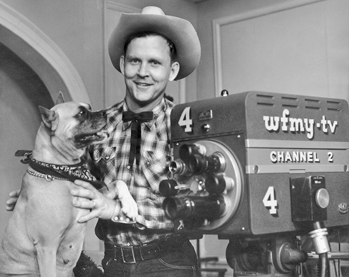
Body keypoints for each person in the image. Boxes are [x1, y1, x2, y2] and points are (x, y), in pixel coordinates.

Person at [7, 6, 201, 277]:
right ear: (123, 64)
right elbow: (72, 177)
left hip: (169, 264)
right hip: (113, 265)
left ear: (172, 70)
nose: (143, 72)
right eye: (135, 61)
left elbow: (195, 208)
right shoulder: (97, 125)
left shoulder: (188, 127)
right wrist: (38, 194)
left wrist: (116, 208)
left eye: (155, 63)